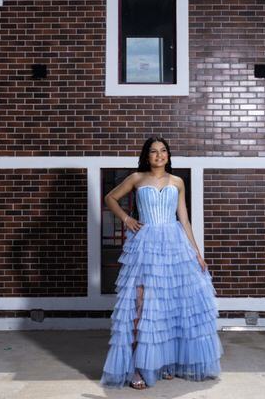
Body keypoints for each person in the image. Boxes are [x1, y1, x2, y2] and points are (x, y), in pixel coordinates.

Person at [99, 136, 223, 389]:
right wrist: (126, 219)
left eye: (163, 151)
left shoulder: (177, 182)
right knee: (141, 305)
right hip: (146, 246)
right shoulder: (136, 178)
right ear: (147, 156)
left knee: (169, 306)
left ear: (168, 154)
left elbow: (185, 220)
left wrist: (197, 253)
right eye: (154, 152)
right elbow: (110, 198)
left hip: (174, 245)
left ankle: (164, 362)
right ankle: (136, 368)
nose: (159, 155)